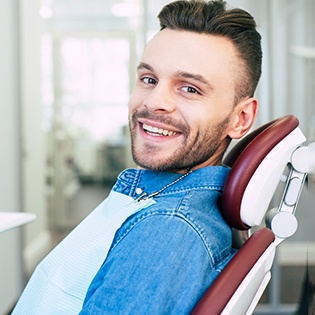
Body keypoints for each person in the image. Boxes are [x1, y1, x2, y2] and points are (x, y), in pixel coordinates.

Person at [13, 0, 262, 314]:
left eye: (189, 89)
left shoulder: (166, 230)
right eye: (149, 79)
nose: (155, 102)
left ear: (240, 118)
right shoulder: (159, 201)